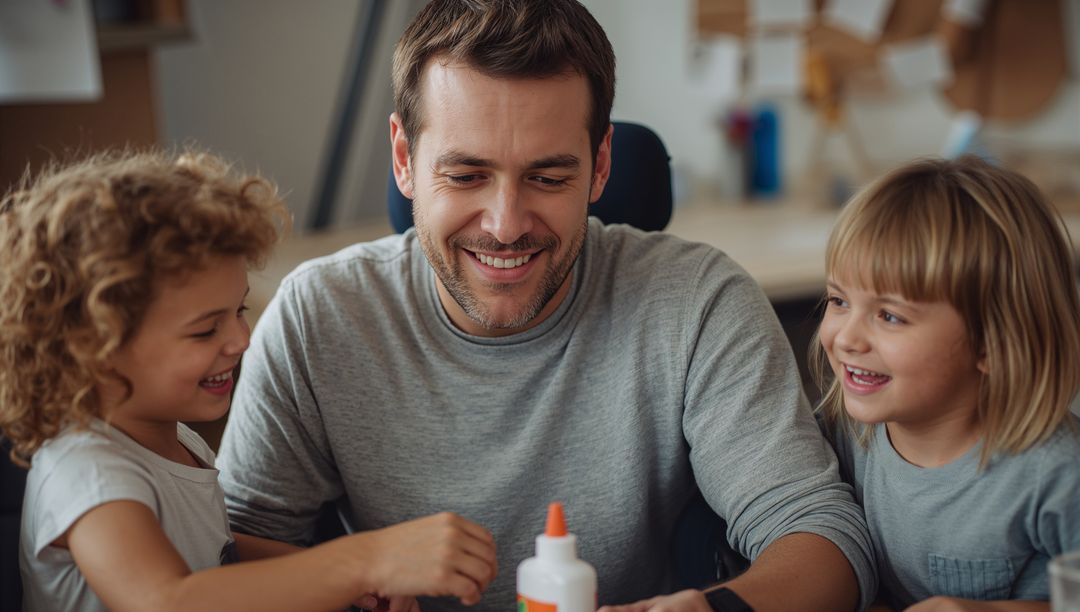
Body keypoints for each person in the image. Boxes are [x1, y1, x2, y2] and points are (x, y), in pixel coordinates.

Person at [216, 1, 877, 610]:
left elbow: (823, 541)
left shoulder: (697, 303)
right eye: (467, 174)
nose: (505, 224)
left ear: (600, 165)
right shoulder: (318, 316)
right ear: (403, 158)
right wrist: (360, 565)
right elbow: (230, 554)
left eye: (547, 176)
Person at [0, 150, 497, 612]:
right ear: (97, 350)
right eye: (204, 329)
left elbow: (218, 552)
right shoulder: (89, 473)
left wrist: (350, 576)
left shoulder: (169, 438)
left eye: (238, 310)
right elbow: (169, 600)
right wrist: (362, 561)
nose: (241, 338)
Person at [812, 157, 1080, 609]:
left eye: (889, 315)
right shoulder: (841, 434)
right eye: (838, 300)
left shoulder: (1056, 473)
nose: (846, 337)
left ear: (993, 343)